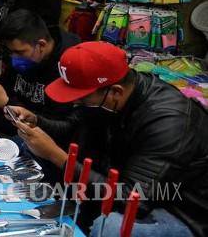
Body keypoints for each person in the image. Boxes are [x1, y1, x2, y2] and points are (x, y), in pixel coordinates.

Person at [12, 41, 208, 237]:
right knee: (27, 145)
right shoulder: (113, 96)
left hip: (179, 209)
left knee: (110, 226)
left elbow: (132, 199)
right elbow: (73, 126)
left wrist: (58, 157)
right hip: (125, 179)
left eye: (81, 97)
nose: (76, 102)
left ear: (116, 92)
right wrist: (37, 122)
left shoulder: (168, 123)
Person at [0, 10, 80, 150]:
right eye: (11, 51)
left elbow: (55, 129)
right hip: (5, 133)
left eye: (19, 52)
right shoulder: (23, 58)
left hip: (34, 146)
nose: (14, 57)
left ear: (41, 45)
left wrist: (6, 102)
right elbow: (1, 90)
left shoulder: (66, 70)